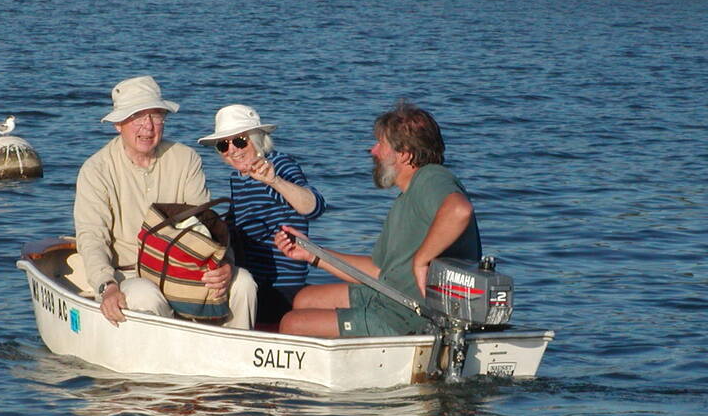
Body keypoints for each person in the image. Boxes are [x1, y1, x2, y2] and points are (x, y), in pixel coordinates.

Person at [273, 101, 481, 337]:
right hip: (389, 294)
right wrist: (312, 253)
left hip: (409, 315)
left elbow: (459, 211)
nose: (373, 151)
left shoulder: (431, 178)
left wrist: (421, 261)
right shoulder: (407, 197)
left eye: (381, 144)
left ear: (404, 154)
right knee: (305, 299)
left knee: (293, 324)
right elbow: (378, 270)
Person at [74, 75, 257, 328]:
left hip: (185, 268)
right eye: (137, 117)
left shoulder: (186, 158)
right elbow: (92, 237)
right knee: (145, 296)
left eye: (156, 116)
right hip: (128, 273)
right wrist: (107, 286)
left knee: (243, 282)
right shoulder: (96, 169)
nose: (148, 127)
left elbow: (206, 226)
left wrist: (224, 264)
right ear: (118, 124)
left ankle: (239, 362)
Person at [197, 104, 326, 325]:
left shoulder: (279, 164)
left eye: (239, 141)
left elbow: (313, 207)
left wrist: (274, 181)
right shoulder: (238, 177)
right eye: (223, 145)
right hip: (250, 277)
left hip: (280, 285)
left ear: (256, 139)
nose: (233, 150)